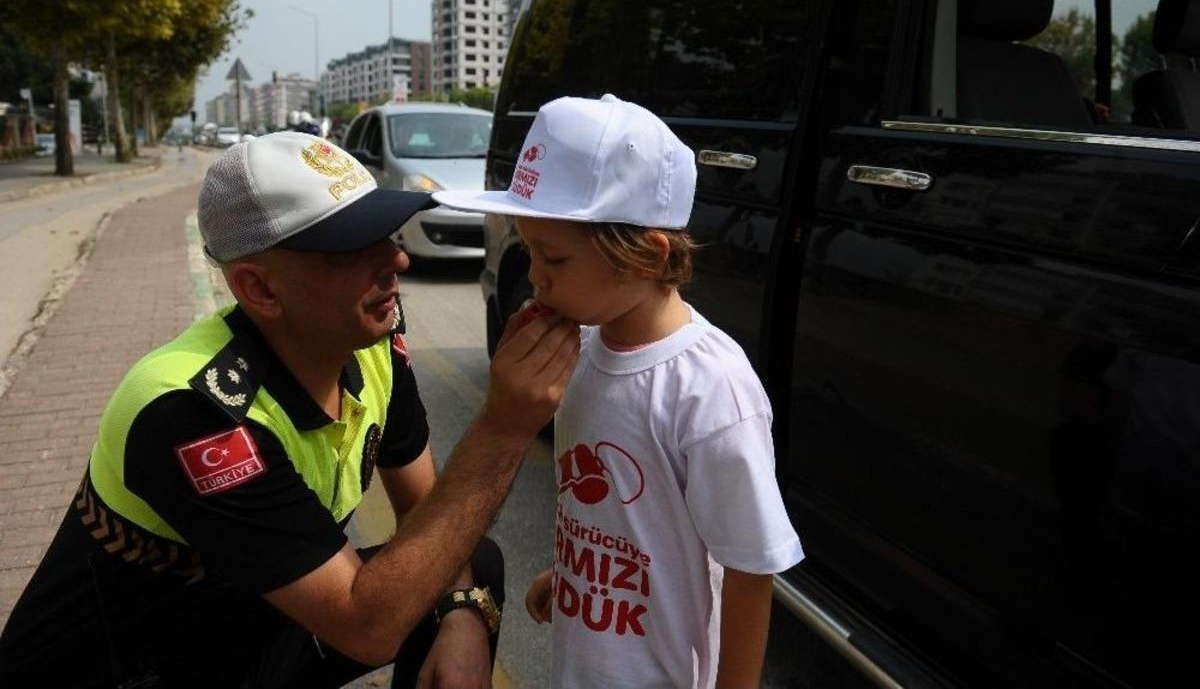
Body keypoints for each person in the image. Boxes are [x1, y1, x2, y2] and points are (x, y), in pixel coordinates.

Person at [0, 131, 580, 688]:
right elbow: (366, 627)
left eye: (387, 232)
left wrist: (461, 613)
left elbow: (427, 509)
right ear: (260, 289)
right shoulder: (191, 412)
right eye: (352, 247)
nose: (395, 262)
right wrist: (504, 428)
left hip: (243, 629)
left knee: (473, 564)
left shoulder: (370, 341)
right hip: (140, 668)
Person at [434, 95, 804, 688]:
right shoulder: (580, 349)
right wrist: (575, 575)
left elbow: (750, 567)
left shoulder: (709, 388)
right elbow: (617, 514)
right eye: (529, 249)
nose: (534, 275)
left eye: (554, 257)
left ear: (645, 256)